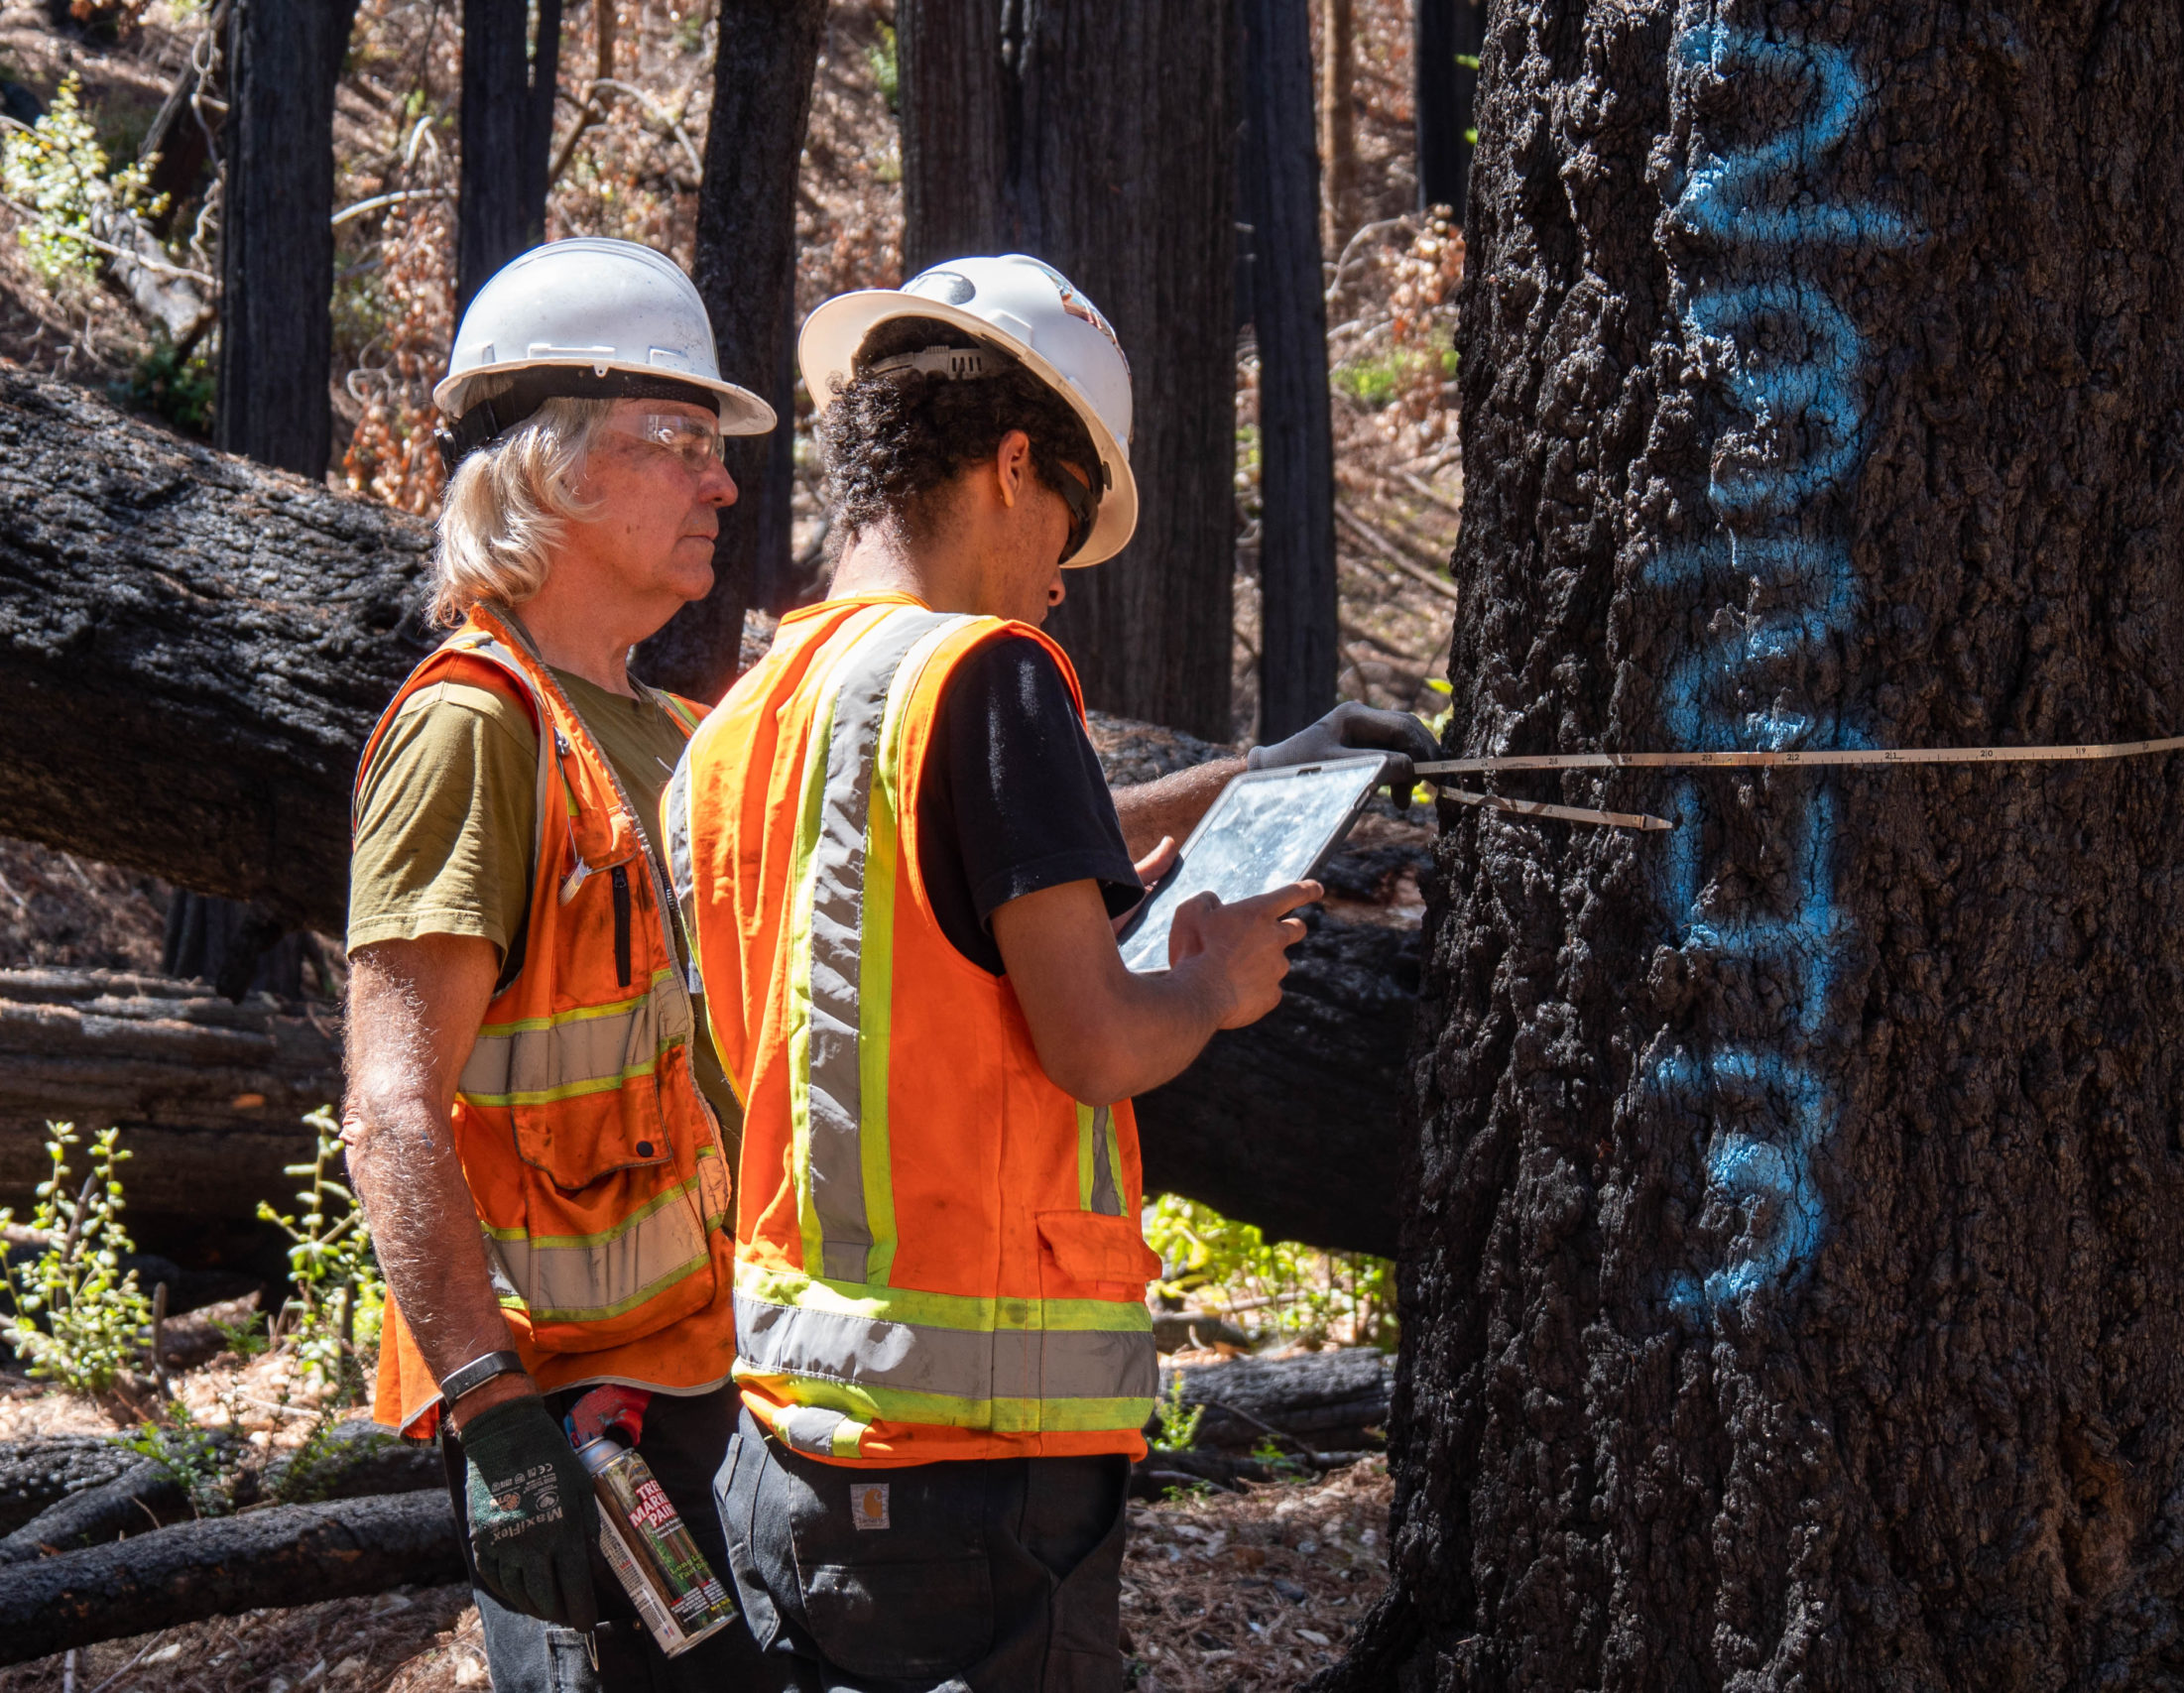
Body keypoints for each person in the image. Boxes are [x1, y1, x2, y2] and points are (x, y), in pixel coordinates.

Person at [665, 253, 1438, 1692]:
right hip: (982, 1480)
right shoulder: (987, 676)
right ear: (1015, 464)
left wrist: (1256, 781)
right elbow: (1092, 1042)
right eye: (1069, 536)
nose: (1061, 588)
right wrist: (1211, 985)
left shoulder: (742, 730)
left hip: (790, 1456)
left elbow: (933, 913)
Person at [340, 238, 783, 1693]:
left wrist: (1224, 791)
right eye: (679, 445)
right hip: (565, 1424)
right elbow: (390, 1105)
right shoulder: (474, 728)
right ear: (547, 475)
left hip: (693, 1384)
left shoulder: (658, 731)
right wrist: (486, 1407)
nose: (721, 484)